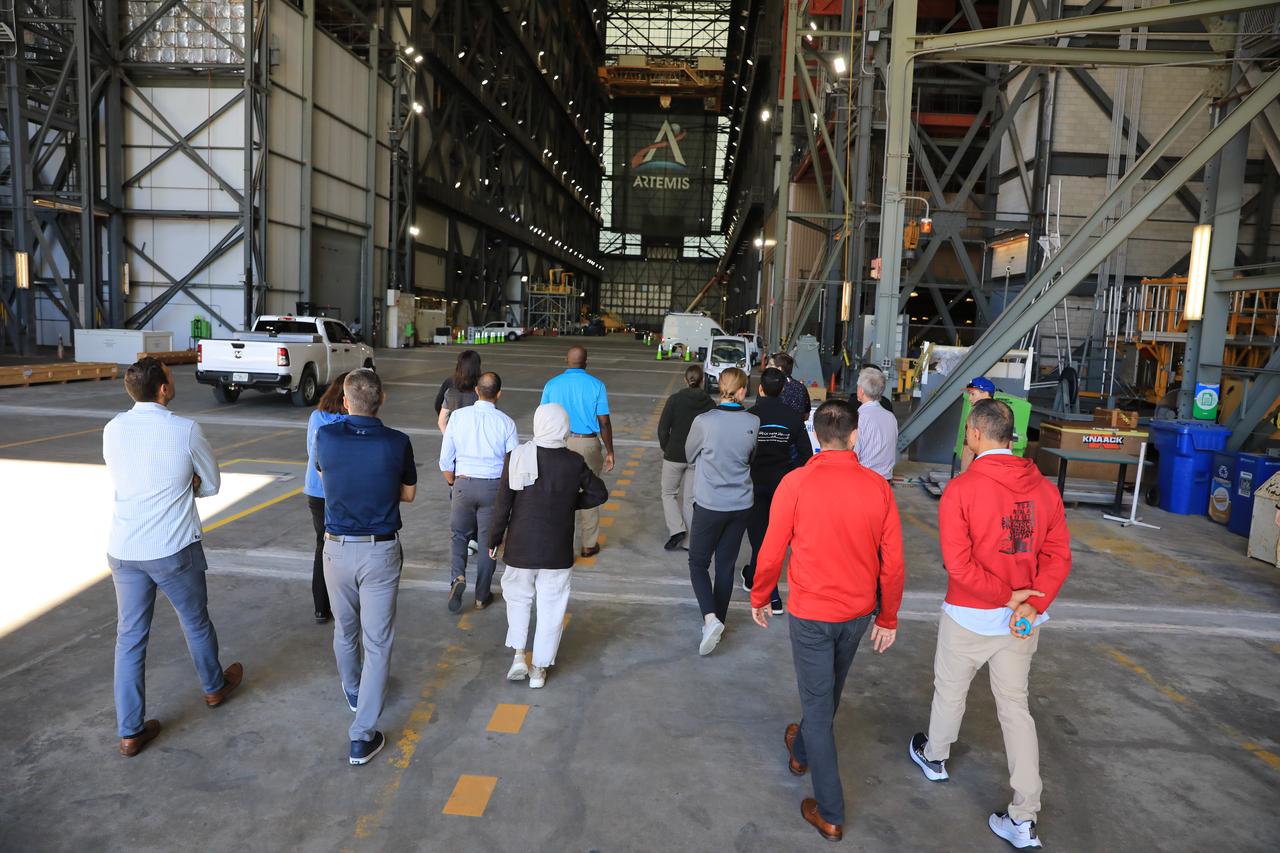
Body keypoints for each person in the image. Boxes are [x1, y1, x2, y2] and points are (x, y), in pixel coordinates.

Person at [908, 398, 1072, 850]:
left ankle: (936, 757)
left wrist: (1006, 596)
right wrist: (1032, 604)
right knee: (1015, 709)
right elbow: (1058, 555)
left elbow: (959, 567)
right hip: (1022, 623)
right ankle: (1023, 816)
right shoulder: (1043, 489)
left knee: (950, 689)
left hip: (970, 615)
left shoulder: (962, 490)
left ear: (976, 435)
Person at [750, 399, 904, 842]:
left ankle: (831, 811)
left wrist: (762, 594)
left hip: (812, 614)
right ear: (855, 436)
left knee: (819, 705)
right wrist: (888, 615)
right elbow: (892, 563)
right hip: (857, 613)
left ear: (815, 435)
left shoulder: (795, 483)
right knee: (827, 691)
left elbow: (772, 548)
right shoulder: (877, 487)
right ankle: (800, 751)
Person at [103, 357, 243, 758]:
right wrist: (190, 484)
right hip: (172, 548)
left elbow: (126, 476)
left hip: (125, 549)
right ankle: (214, 688)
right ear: (163, 389)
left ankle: (130, 732)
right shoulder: (185, 429)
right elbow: (212, 484)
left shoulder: (113, 428)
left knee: (129, 639)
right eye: (170, 376)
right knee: (195, 621)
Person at [314, 368, 417, 766]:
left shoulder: (325, 437)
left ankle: (354, 691)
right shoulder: (397, 443)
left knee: (345, 629)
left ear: (344, 402)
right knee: (378, 641)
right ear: (382, 400)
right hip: (380, 552)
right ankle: (361, 735)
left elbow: (326, 479)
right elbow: (407, 495)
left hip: (336, 549)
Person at [488, 404, 608, 689]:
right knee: (552, 608)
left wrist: (493, 540)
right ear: (564, 428)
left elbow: (502, 506)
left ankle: (519, 655)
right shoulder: (573, 462)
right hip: (556, 550)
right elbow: (599, 493)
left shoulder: (516, 457)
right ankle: (539, 670)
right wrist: (570, 503)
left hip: (520, 547)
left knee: (519, 600)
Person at [685, 366, 758, 656]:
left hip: (710, 504)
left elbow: (689, 454)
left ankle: (710, 618)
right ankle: (718, 623)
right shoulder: (754, 421)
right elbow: (751, 457)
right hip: (741, 504)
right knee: (725, 566)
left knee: (698, 562)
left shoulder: (704, 421)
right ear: (741, 391)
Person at [440, 372, 518, 612]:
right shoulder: (506, 422)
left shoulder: (458, 417)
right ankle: (482, 596)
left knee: (459, 536)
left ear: (476, 390)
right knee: (488, 542)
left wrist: (454, 483)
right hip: (493, 487)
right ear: (499, 394)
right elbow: (512, 463)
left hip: (464, 483)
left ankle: (458, 578)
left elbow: (445, 461)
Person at [742, 367, 812, 614]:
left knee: (760, 540)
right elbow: (806, 456)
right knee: (775, 540)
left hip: (753, 484)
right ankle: (751, 576)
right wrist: (788, 472)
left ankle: (771, 596)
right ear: (783, 390)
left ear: (760, 389)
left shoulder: (750, 416)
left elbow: (740, 453)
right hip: (782, 486)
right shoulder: (792, 419)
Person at [540, 346, 615, 557]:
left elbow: (543, 417)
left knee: (558, 492)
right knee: (590, 490)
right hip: (587, 444)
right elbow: (604, 421)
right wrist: (609, 451)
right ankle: (589, 544)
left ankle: (559, 543)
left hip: (558, 444)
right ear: (586, 362)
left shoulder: (551, 385)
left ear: (566, 360)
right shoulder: (597, 385)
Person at [305, 373, 349, 624]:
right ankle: (343, 602)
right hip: (342, 491)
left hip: (316, 491)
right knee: (345, 545)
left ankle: (321, 607)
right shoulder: (351, 421)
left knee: (322, 545)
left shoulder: (316, 417)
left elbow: (310, 451)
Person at [656, 364, 714, 551]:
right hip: (696, 457)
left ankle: (676, 529)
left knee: (668, 493)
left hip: (674, 454)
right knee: (690, 499)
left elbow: (663, 429)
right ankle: (689, 542)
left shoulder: (675, 399)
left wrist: (668, 448)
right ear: (703, 381)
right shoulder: (710, 404)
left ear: (685, 379)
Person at [853, 366, 898, 480]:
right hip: (885, 479)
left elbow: (854, 455)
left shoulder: (860, 418)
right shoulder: (891, 417)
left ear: (861, 391)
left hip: (864, 478)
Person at [437, 349, 481, 432]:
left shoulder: (450, 385)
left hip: (456, 432)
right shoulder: (482, 387)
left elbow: (441, 420)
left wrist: (449, 439)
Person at [959, 376, 996, 472]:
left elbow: (969, 451)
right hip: (1001, 470)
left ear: (985, 393)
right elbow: (1010, 445)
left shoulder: (975, 415)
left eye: (972, 394)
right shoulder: (1003, 411)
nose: (970, 398)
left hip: (980, 470)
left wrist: (962, 476)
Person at [767, 351, 810, 417]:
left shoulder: (768, 386)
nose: (767, 367)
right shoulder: (801, 388)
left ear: (779, 369)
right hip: (796, 426)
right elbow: (806, 415)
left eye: (770, 364)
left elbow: (759, 410)